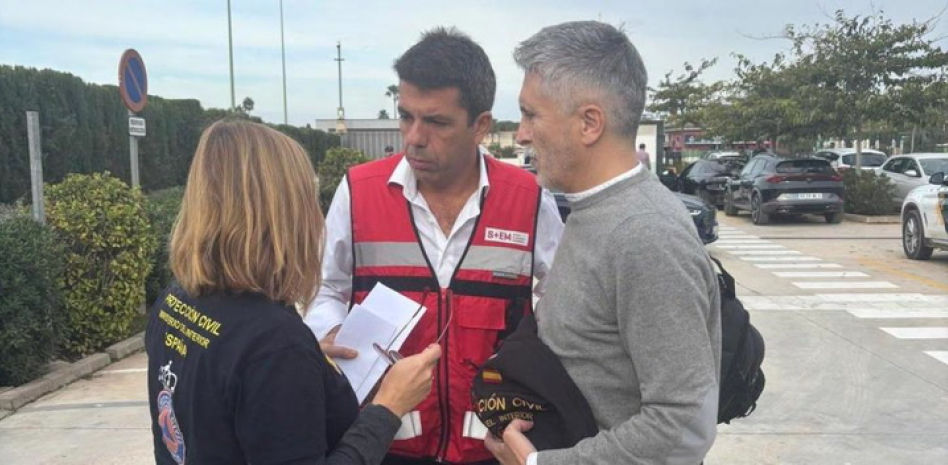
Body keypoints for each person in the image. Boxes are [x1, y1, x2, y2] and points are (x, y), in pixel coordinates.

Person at [304, 27, 564, 465]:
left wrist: (532, 351)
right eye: (406, 116)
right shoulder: (359, 191)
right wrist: (327, 330)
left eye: (436, 122)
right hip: (384, 444)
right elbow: (322, 288)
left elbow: (561, 297)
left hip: (495, 448)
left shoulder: (528, 198)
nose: (414, 137)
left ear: (480, 125)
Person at [485, 21, 722, 465]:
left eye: (531, 114)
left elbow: (682, 426)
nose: (520, 134)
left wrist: (538, 464)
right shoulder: (593, 211)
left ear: (589, 123)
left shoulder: (644, 233)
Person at [146, 120, 441, 465]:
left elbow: (227, 384)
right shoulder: (273, 343)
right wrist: (388, 408)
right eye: (308, 198)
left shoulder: (175, 300)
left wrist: (307, 362)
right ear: (283, 213)